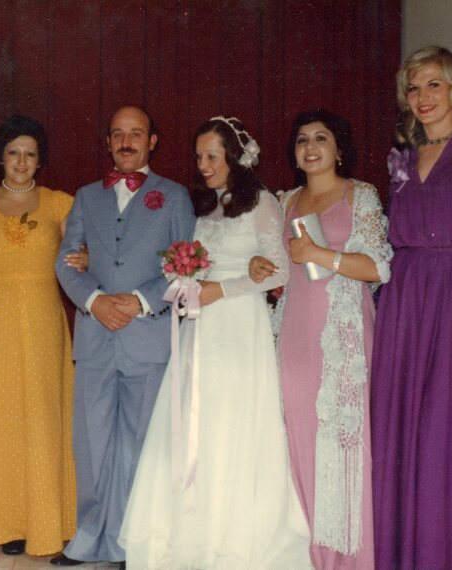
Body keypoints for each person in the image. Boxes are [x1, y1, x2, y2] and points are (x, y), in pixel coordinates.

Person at [118, 116, 310, 569]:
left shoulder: (262, 203)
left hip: (239, 323)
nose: (203, 165)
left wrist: (219, 289)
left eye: (212, 156)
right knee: (195, 419)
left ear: (235, 157)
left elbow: (279, 271)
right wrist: (185, 277)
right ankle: (191, 534)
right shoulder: (202, 205)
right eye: (199, 156)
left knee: (233, 422)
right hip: (201, 326)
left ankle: (233, 535)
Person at [370, 46, 452, 569]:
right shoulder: (401, 160)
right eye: (413, 87)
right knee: (403, 431)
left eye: (433, 85)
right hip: (404, 305)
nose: (422, 97)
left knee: (448, 434)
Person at [54, 105, 195, 567]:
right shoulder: (85, 196)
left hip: (147, 336)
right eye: (118, 134)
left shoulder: (174, 196)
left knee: (140, 446)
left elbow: (186, 264)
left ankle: (133, 544)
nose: (126, 142)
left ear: (152, 141)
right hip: (96, 335)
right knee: (92, 443)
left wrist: (139, 301)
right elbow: (66, 261)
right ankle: (88, 539)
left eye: (136, 133)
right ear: (108, 142)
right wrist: (94, 301)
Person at [250, 109, 392, 569]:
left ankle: (350, 559)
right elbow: (277, 266)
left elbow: (378, 267)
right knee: (299, 441)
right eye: (302, 140)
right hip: (294, 335)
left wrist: (320, 254)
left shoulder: (360, 195)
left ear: (339, 148)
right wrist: (260, 266)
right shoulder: (285, 200)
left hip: (342, 338)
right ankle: (308, 556)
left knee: (344, 446)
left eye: (321, 138)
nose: (310, 147)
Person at [0, 115, 78, 556]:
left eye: (30, 153)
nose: (21, 161)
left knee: (40, 419)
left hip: (43, 323)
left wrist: (83, 258)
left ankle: (42, 522)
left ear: (40, 160)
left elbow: (84, 252)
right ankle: (3, 523)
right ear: (0, 157)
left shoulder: (60, 204)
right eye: (13, 152)